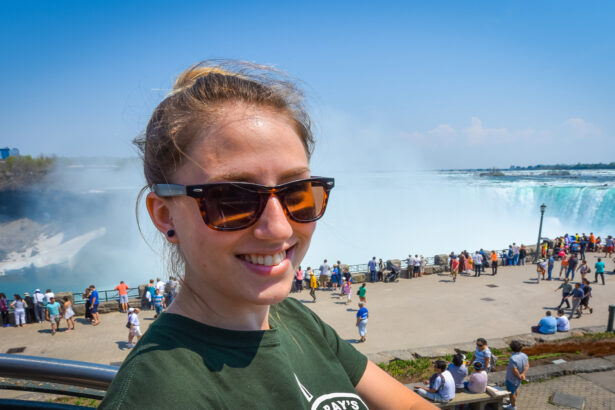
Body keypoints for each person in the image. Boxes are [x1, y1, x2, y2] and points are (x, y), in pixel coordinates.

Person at [100, 61, 429, 409]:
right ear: (166, 216)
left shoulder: (292, 317)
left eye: (297, 192)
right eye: (232, 199)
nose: (279, 229)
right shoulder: (159, 394)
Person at [504, 341, 529, 410]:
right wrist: (523, 374)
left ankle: (512, 406)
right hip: (519, 379)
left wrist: (519, 376)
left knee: (511, 393)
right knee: (516, 389)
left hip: (512, 379)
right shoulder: (524, 355)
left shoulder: (513, 358)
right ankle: (512, 401)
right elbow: (527, 365)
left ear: (512, 349)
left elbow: (514, 370)